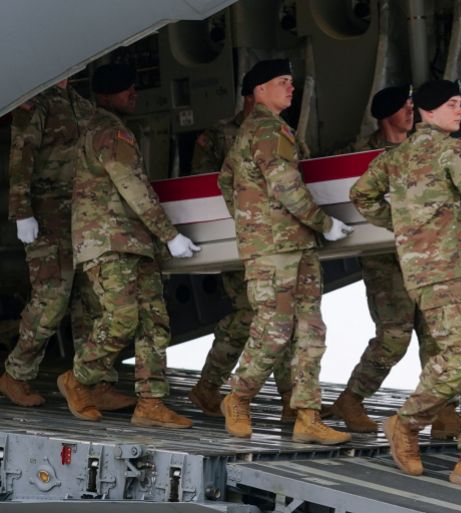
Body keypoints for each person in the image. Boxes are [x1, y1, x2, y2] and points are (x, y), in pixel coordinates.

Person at [350, 80, 461, 494]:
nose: (460, 111)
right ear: (429, 111)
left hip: (452, 271)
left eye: (460, 103)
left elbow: (361, 195)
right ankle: (405, 423)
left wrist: (405, 225)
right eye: (452, 104)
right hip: (451, 273)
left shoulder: (394, 157)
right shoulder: (454, 152)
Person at [217, 59, 353, 443]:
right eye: (283, 81)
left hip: (293, 244)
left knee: (311, 330)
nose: (291, 88)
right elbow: (286, 186)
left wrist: (248, 219)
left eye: (291, 81)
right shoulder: (266, 130)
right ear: (260, 90)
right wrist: (324, 223)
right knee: (274, 331)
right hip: (275, 248)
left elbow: (226, 180)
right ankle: (238, 398)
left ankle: (307, 415)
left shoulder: (264, 130)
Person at [58, 63, 200, 428]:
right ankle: (79, 378)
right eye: (126, 89)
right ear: (106, 96)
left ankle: (150, 403)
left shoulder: (108, 129)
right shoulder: (109, 131)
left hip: (133, 242)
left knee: (155, 322)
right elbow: (132, 186)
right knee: (122, 318)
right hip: (110, 242)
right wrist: (169, 234)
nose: (134, 94)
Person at [327, 85, 461, 438]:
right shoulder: (359, 154)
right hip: (384, 260)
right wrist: (398, 222)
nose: (411, 113)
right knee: (394, 336)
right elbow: (346, 193)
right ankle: (351, 399)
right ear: (387, 114)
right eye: (405, 107)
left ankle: (443, 408)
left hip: (424, 257)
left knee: (436, 335)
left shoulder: (422, 148)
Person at [0, 79, 134, 411]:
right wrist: (21, 212)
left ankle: (93, 382)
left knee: (91, 300)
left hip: (82, 214)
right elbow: (21, 154)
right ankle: (16, 373)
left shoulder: (82, 104)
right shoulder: (37, 101)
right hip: (47, 213)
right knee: (52, 299)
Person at [188, 68, 295, 422]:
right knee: (253, 315)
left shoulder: (281, 130)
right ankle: (209, 385)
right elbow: (205, 185)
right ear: (252, 95)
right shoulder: (219, 135)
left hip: (273, 240)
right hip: (237, 237)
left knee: (282, 314)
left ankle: (291, 399)